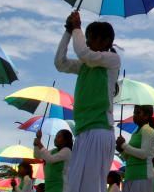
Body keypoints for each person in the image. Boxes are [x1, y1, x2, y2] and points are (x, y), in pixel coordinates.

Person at [54, 11, 121, 192]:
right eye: (88, 38)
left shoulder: (112, 60)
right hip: (84, 131)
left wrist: (77, 28)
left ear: (105, 42)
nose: (88, 42)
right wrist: (68, 32)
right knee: (75, 187)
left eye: (91, 38)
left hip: (99, 131)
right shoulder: (85, 64)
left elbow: (83, 53)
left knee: (89, 187)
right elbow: (60, 63)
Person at [117, 105, 154, 192]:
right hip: (130, 175)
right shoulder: (135, 133)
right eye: (134, 113)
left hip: (142, 176)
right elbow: (128, 157)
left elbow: (143, 154)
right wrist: (121, 150)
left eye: (138, 113)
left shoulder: (148, 130)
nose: (135, 115)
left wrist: (124, 145)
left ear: (146, 115)